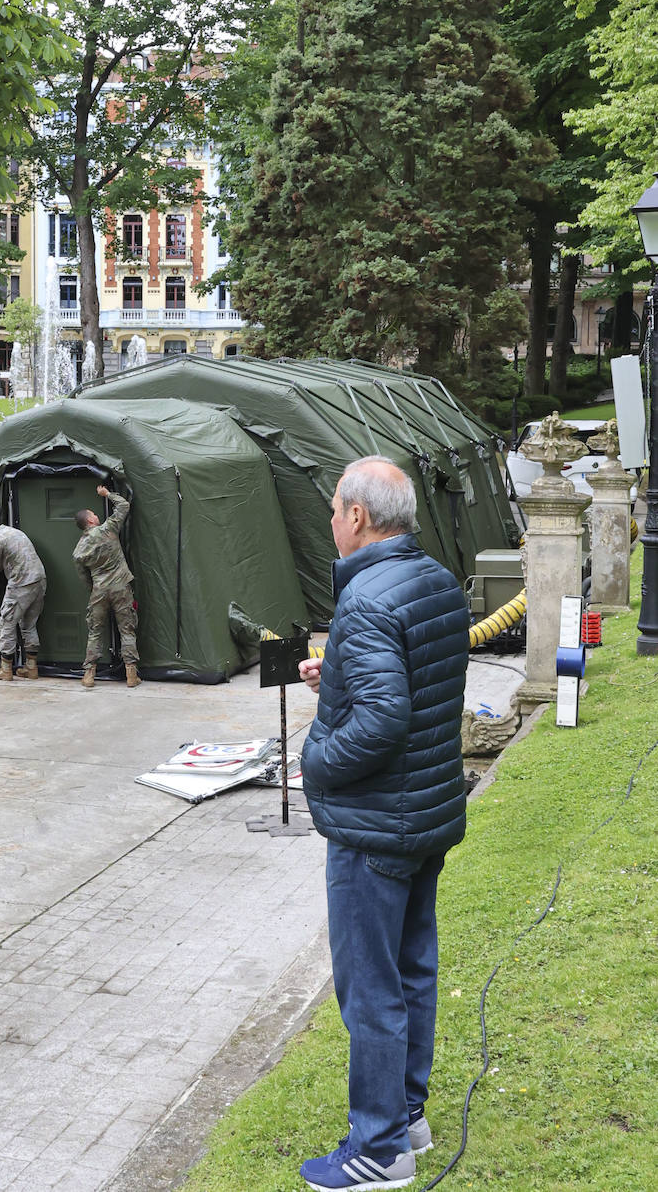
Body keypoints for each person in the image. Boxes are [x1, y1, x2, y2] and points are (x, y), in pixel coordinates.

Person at [297, 456, 469, 1192]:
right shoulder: (432, 580)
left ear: (357, 517)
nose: (330, 520)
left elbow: (382, 719)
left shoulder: (367, 599)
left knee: (370, 987)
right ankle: (409, 1115)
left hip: (376, 828)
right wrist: (333, 667)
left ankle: (380, 1147)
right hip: (424, 814)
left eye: (334, 508)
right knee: (412, 969)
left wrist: (314, 761)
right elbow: (412, 676)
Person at [73, 484, 140, 689]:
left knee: (95, 631)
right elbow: (123, 506)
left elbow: (83, 575)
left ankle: (89, 675)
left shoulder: (79, 549)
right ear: (91, 520)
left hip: (99, 591)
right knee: (127, 629)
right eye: (93, 514)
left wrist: (94, 589)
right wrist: (106, 494)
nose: (96, 515)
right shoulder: (108, 529)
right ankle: (131, 674)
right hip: (121, 587)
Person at [0, 518, 47, 682]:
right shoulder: (15, 532)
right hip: (40, 580)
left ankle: (6, 670)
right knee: (28, 625)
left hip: (21, 584)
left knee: (6, 624)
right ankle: (31, 669)